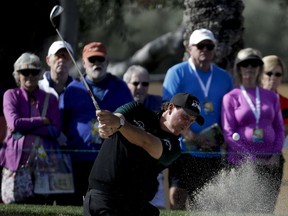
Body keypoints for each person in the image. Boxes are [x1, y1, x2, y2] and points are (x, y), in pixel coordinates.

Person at [83, 92, 204, 216]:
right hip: (104, 198)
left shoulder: (174, 148)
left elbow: (146, 142)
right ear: (171, 107)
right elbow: (115, 120)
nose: (187, 124)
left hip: (134, 205)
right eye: (185, 117)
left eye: (191, 121)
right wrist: (107, 127)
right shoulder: (136, 109)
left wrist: (120, 124)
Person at [162, 28, 234, 210]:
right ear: (189, 48)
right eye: (200, 45)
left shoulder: (224, 77)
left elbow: (229, 113)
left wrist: (220, 139)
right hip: (183, 148)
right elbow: (166, 107)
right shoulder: (176, 73)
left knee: (208, 204)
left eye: (209, 46)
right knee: (176, 197)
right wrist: (191, 136)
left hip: (213, 150)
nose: (205, 49)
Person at [61, 41, 133, 205]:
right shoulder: (73, 89)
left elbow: (130, 121)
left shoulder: (120, 87)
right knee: (76, 206)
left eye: (100, 60)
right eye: (92, 60)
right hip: (78, 160)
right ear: (83, 63)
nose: (96, 64)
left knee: (106, 207)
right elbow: (63, 123)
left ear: (107, 62)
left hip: (111, 160)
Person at [221, 48, 285, 213]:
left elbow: (279, 128)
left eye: (254, 64)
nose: (250, 67)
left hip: (271, 163)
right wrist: (251, 158)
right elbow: (228, 133)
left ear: (259, 68)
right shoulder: (231, 97)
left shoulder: (271, 97)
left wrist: (274, 154)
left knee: (266, 209)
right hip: (242, 163)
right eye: (245, 64)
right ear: (239, 68)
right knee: (243, 210)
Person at [0, 52, 61, 204]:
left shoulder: (51, 99)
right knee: (13, 204)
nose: (30, 76)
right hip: (15, 163)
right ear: (17, 74)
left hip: (44, 164)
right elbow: (14, 124)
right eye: (24, 72)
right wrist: (42, 121)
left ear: (39, 73)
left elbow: (55, 130)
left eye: (34, 72)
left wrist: (25, 127)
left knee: (43, 205)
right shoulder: (10, 95)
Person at [123, 65, 165, 208]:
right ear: (126, 84)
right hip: (126, 166)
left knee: (156, 208)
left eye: (145, 83)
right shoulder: (119, 104)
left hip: (152, 166)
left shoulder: (158, 103)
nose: (140, 87)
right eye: (135, 83)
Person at [261, 55, 288, 137]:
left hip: (274, 148)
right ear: (260, 75)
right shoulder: (248, 100)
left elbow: (284, 132)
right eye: (269, 73)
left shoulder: (285, 103)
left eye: (278, 74)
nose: (273, 77)